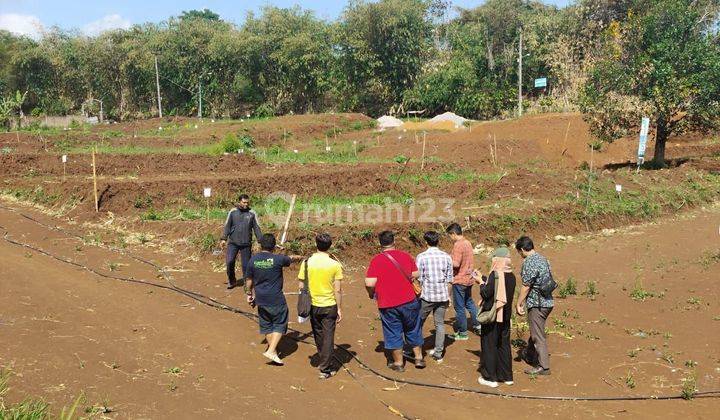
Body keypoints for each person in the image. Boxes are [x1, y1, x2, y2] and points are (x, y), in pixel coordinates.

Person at [365, 231, 425, 371]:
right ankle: (419, 358)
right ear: (394, 241)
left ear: (380, 243)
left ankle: (398, 363)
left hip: (388, 303)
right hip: (409, 300)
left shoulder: (376, 260)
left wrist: (371, 294)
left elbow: (369, 283)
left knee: (393, 331)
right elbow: (416, 274)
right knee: (413, 328)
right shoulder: (405, 255)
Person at [245, 234, 301, 365]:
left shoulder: (253, 260)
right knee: (280, 323)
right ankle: (271, 350)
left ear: (260, 245)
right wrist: (302, 257)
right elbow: (291, 259)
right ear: (274, 246)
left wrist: (249, 294)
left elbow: (248, 280)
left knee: (267, 325)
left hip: (261, 299)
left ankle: (273, 352)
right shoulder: (278, 259)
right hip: (276, 299)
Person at [297, 233, 344, 379]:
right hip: (329, 305)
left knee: (318, 333)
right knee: (328, 335)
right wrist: (340, 308)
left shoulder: (306, 262)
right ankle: (325, 368)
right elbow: (337, 289)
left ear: (316, 244)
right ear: (330, 246)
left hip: (313, 304)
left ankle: (323, 357)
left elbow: (301, 285)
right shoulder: (335, 265)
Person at [477, 247, 516, 388]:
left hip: (493, 316)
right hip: (505, 316)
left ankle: (490, 377)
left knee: (489, 345)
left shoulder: (495, 275)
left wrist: (481, 283)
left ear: (497, 260)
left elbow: (487, 293)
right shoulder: (511, 276)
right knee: (504, 345)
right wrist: (485, 280)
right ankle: (507, 376)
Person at [515, 236, 554, 376]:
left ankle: (543, 367)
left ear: (522, 250)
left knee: (538, 335)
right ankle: (530, 354)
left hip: (537, 304)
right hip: (548, 302)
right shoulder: (544, 259)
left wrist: (518, 303)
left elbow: (526, 286)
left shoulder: (529, 262)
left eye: (519, 252)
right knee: (536, 330)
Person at [415, 231, 453, 363]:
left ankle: (416, 349)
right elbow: (449, 280)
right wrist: (448, 296)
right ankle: (438, 353)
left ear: (426, 242)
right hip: (442, 296)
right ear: (438, 241)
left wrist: (417, 292)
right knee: (440, 324)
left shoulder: (421, 257)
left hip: (427, 296)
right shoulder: (447, 257)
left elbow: (418, 278)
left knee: (418, 323)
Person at [446, 223, 480, 340]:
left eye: (450, 236)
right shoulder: (467, 243)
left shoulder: (458, 245)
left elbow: (456, 264)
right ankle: (478, 325)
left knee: (459, 307)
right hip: (469, 278)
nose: (450, 238)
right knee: (469, 303)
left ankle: (463, 333)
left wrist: (447, 259)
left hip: (460, 279)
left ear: (454, 234)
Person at [221, 194, 262, 289]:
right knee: (230, 262)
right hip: (233, 243)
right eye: (244, 202)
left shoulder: (252, 213)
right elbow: (227, 226)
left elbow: (257, 228)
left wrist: (260, 241)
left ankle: (246, 284)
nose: (246, 204)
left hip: (246, 244)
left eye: (247, 202)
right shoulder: (233, 212)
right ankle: (232, 281)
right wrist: (223, 238)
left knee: (246, 265)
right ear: (239, 202)